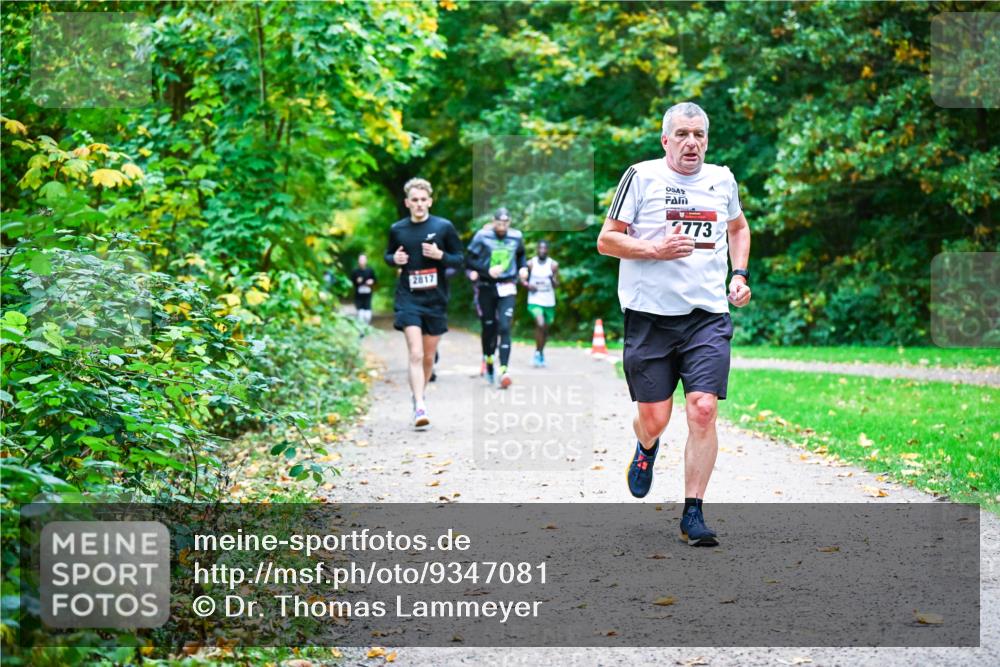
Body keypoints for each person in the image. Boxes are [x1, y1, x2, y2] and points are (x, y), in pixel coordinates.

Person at [596, 102, 752, 546]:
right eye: (682, 134)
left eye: (699, 135)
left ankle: (693, 513)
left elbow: (738, 229)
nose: (692, 143)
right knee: (655, 418)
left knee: (703, 408)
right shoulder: (641, 177)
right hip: (650, 318)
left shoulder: (721, 179)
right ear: (666, 140)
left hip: (707, 317)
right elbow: (606, 240)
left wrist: (739, 275)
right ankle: (645, 447)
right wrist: (654, 250)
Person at [384, 177, 464, 429]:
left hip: (436, 299)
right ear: (407, 202)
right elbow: (388, 255)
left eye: (423, 200)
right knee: (415, 353)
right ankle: (420, 405)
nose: (419, 204)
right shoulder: (398, 229)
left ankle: (419, 394)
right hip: (408, 299)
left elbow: (459, 259)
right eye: (414, 200)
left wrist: (441, 255)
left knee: (429, 358)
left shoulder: (443, 227)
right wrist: (394, 259)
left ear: (430, 201)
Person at [466, 207, 528, 387]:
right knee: (489, 327)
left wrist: (523, 268)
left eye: (505, 223)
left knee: (504, 326)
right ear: (493, 222)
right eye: (499, 223)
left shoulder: (516, 236)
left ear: (509, 223)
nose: (502, 227)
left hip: (508, 285)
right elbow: (469, 260)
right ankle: (489, 358)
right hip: (486, 286)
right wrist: (486, 271)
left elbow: (521, 254)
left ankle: (504, 370)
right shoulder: (481, 236)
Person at [524, 240, 558, 368]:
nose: (542, 250)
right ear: (537, 249)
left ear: (548, 250)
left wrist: (551, 279)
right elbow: (523, 280)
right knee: (540, 323)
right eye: (540, 248)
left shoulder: (553, 265)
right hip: (534, 300)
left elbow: (556, 284)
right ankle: (538, 354)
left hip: (549, 301)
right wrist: (528, 285)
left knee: (545, 329)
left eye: (545, 248)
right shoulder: (530, 264)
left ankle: (540, 352)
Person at [350, 254, 376, 329]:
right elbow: (351, 283)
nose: (362, 261)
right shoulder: (355, 271)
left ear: (366, 261)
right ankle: (361, 328)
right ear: (358, 261)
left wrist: (371, 282)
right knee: (360, 313)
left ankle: (366, 327)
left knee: (367, 314)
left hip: (368, 294)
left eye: (363, 259)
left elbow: (375, 281)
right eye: (360, 259)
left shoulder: (370, 270)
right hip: (358, 295)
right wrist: (356, 281)